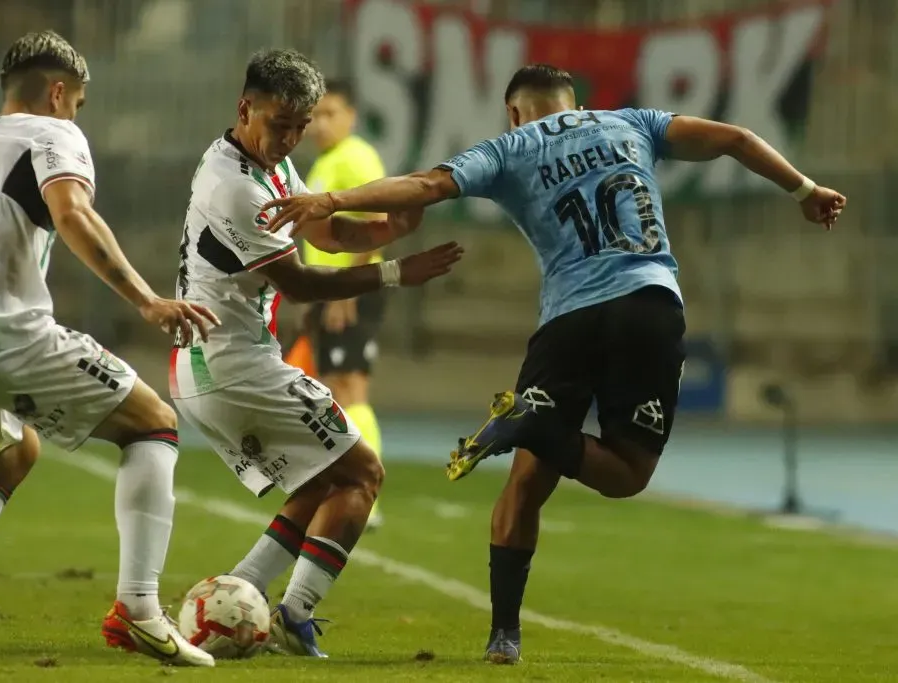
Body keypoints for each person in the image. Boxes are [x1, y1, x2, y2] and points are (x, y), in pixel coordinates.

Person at [257, 64, 847, 664]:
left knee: (527, 481)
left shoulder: (509, 147)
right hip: (649, 306)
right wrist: (804, 190)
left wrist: (329, 200)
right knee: (629, 473)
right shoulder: (632, 123)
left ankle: (504, 636)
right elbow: (736, 139)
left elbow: (427, 185)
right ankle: (536, 428)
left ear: (515, 112)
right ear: (572, 101)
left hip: (570, 319)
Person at [0, 31, 219, 667]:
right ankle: (138, 609)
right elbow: (73, 214)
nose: (77, 113)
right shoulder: (52, 134)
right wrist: (147, 300)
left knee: (11, 453)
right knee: (154, 425)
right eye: (79, 102)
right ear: (58, 92)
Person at [169, 48, 461, 658]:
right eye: (282, 124)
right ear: (245, 109)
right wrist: (394, 274)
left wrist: (390, 232)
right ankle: (294, 616)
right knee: (363, 473)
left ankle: (247, 584)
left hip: (214, 364)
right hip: (234, 365)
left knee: (324, 476)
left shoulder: (263, 167)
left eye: (301, 126)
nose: (293, 137)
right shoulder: (233, 188)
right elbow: (301, 283)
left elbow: (325, 234)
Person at [302, 78, 389, 529]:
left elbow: (378, 219)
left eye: (330, 113)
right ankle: (351, 485)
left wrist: (348, 289)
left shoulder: (356, 156)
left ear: (352, 117)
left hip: (348, 291)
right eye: (315, 114)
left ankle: (365, 490)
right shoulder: (327, 162)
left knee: (350, 389)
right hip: (327, 289)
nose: (319, 124)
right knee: (336, 389)